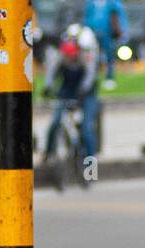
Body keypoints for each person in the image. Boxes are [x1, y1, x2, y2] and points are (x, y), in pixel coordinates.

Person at [44, 28, 100, 162]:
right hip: (66, 90)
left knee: (87, 130)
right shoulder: (62, 55)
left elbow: (90, 76)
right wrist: (48, 88)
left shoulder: (87, 56)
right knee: (55, 123)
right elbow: (51, 74)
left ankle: (90, 167)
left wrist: (83, 91)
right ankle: (49, 153)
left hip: (86, 94)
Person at [83, 0, 126, 88]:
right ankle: (92, 79)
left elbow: (119, 16)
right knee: (93, 57)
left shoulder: (112, 3)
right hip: (93, 33)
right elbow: (87, 17)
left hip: (108, 33)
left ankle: (109, 78)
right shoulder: (90, 3)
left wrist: (120, 30)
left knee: (109, 56)